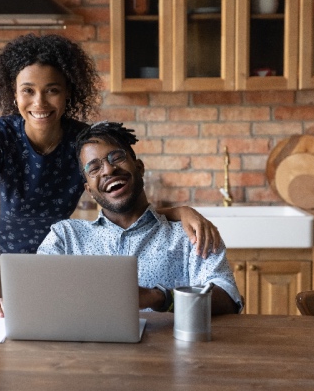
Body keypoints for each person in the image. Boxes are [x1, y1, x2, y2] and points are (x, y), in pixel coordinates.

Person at [0, 34, 223, 316]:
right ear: (13, 94)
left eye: (52, 90)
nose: (39, 101)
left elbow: (118, 199)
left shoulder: (81, 142)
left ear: (68, 93)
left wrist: (180, 211)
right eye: (28, 90)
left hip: (54, 258)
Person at [37, 122, 243, 314]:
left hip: (167, 352)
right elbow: (34, 294)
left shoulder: (188, 233)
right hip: (85, 352)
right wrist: (7, 302)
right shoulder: (65, 237)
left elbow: (229, 298)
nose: (108, 169)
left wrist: (158, 297)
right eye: (94, 168)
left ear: (140, 167)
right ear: (89, 190)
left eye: (116, 157)